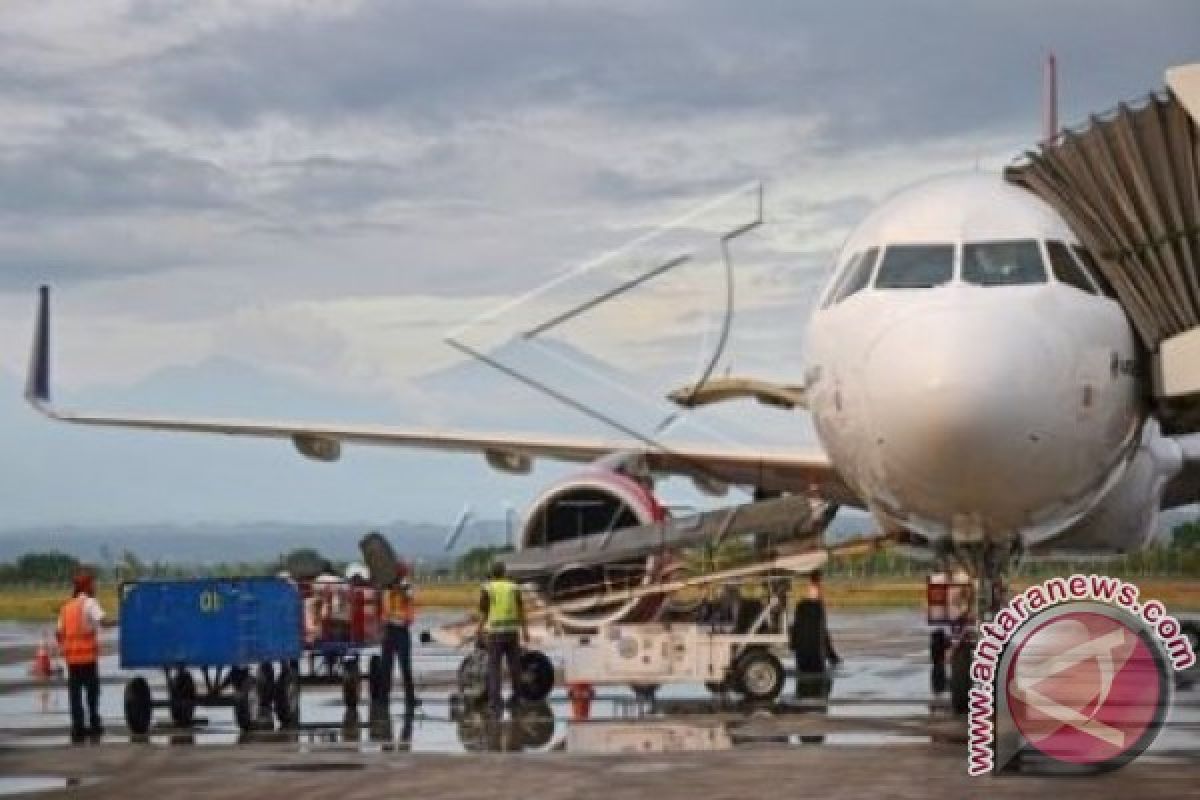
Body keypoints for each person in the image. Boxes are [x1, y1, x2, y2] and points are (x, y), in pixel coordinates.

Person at [475, 562, 530, 716]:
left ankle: (495, 702)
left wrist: (479, 629)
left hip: (496, 634)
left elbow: (484, 612)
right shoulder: (514, 587)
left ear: (492, 573)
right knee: (515, 666)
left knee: (494, 668)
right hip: (512, 632)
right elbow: (521, 610)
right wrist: (525, 630)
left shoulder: (488, 588)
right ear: (504, 572)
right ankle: (517, 698)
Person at [57, 569, 105, 742]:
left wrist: (66, 647)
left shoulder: (66, 608)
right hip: (88, 658)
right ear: (86, 586)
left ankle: (77, 727)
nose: (95, 587)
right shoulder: (90, 603)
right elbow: (103, 622)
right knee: (92, 693)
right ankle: (94, 723)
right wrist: (124, 620)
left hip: (71, 659)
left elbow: (59, 633)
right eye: (92, 584)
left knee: (75, 695)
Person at [380, 561, 418, 708]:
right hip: (391, 629)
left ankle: (410, 698)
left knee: (405, 666)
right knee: (386, 666)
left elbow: (409, 596)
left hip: (401, 629)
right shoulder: (387, 587)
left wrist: (399, 588)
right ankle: (383, 698)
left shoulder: (406, 587)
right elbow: (385, 605)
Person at [789, 570, 841, 675]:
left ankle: (833, 657)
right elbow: (814, 599)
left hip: (815, 619)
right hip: (815, 619)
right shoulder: (814, 588)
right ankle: (833, 658)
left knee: (824, 637)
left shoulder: (815, 588)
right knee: (824, 637)